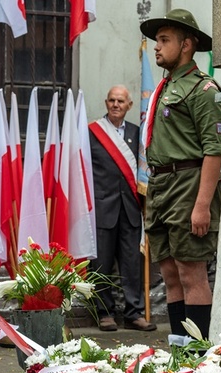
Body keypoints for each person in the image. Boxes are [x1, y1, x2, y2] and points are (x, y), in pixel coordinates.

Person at [139, 9, 221, 339]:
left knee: (192, 274)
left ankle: (197, 354)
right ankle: (180, 352)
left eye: (164, 40)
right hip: (161, 187)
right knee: (170, 275)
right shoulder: (166, 87)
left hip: (188, 186)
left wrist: (202, 205)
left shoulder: (202, 90)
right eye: (157, 40)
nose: (157, 47)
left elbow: (214, 149)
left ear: (186, 44)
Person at [88, 85, 156, 332]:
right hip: (102, 208)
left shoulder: (138, 134)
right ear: (106, 103)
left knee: (131, 264)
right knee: (101, 264)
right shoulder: (92, 133)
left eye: (121, 101)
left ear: (129, 106)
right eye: (112, 100)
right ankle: (105, 313)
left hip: (130, 208)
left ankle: (133, 312)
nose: (116, 105)